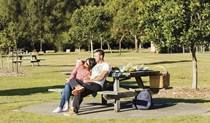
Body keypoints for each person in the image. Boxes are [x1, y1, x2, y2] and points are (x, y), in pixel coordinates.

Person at [64, 49, 111, 116]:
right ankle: (78, 87)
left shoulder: (105, 65)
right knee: (72, 80)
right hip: (88, 83)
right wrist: (87, 78)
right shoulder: (95, 66)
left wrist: (89, 80)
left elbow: (101, 77)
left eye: (96, 56)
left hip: (96, 85)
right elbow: (91, 75)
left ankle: (74, 111)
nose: (94, 57)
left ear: (101, 56)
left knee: (78, 91)